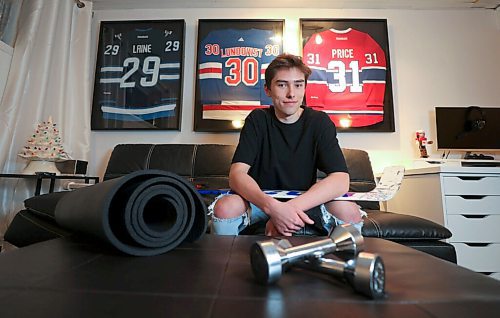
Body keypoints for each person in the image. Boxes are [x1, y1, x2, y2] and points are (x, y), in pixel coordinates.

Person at [209, 53, 365, 236]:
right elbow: (237, 175)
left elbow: (340, 179)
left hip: (304, 201)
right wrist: (272, 208)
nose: (291, 93)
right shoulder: (257, 120)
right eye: (282, 85)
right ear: (268, 89)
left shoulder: (319, 122)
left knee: (348, 211)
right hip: (261, 202)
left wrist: (286, 211)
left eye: (298, 85)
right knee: (225, 207)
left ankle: (343, 264)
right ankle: (225, 264)